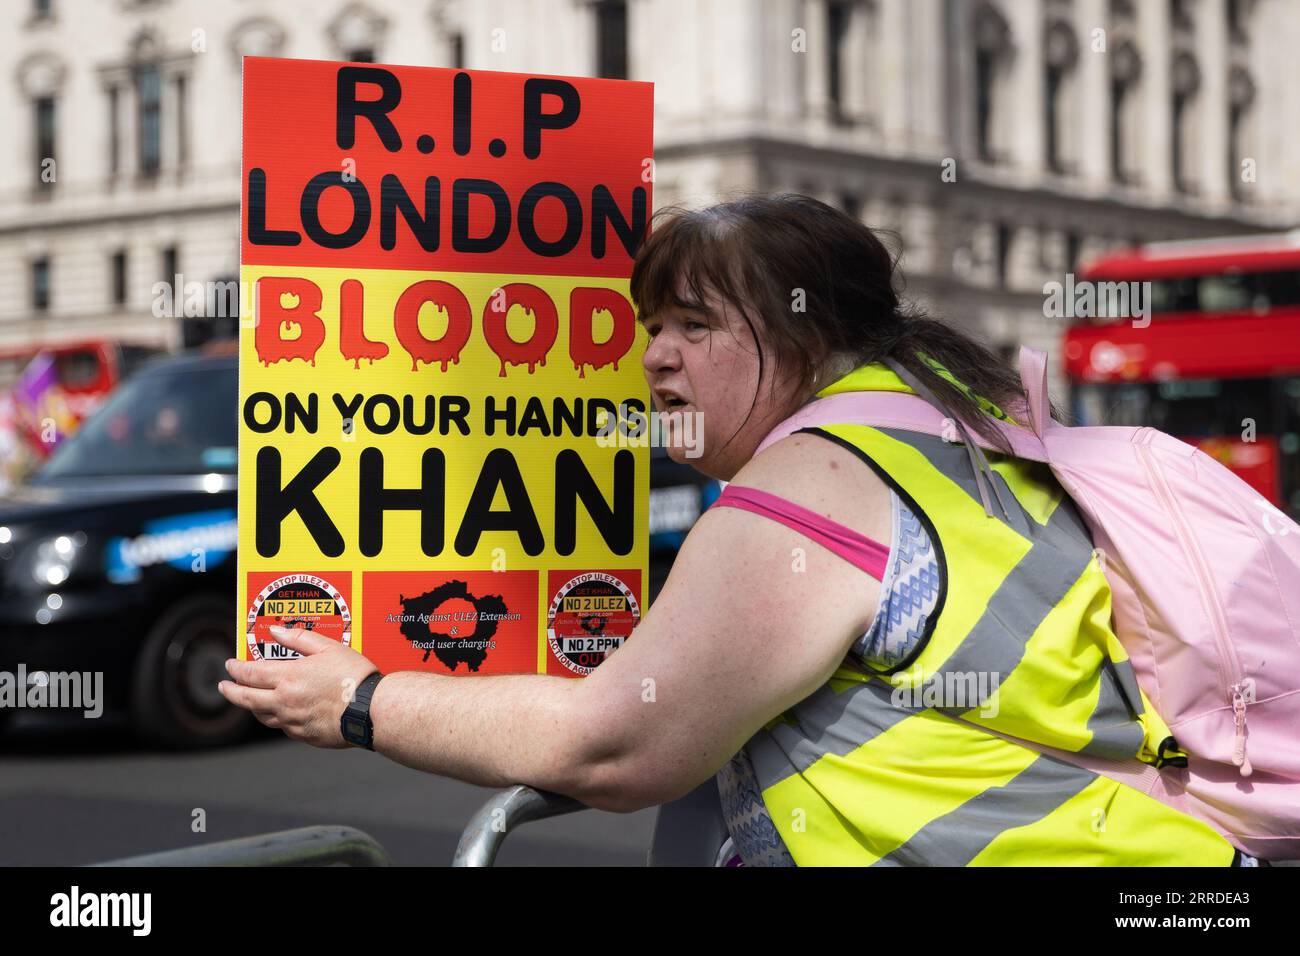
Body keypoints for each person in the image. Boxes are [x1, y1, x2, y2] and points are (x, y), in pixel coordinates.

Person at [220, 194, 1244, 866]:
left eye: (696, 326)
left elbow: (617, 745)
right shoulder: (956, 429)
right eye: (649, 326)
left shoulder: (816, 480)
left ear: (808, 334)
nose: (656, 357)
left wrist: (361, 699)